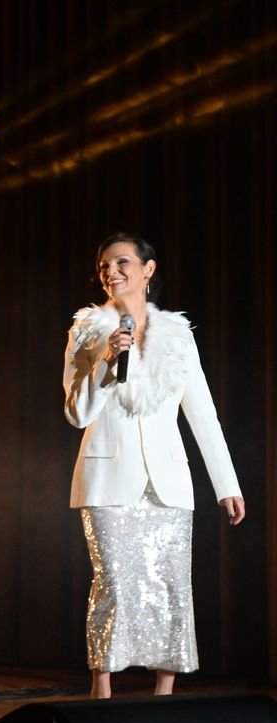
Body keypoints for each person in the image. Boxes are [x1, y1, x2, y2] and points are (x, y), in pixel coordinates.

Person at [64, 233, 244, 699]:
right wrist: (107, 363)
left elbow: (202, 414)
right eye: (104, 266)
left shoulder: (179, 336)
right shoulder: (87, 331)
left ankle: (163, 698)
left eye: (122, 262)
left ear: (148, 269)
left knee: (170, 587)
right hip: (108, 481)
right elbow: (77, 413)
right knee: (114, 585)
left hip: (169, 483)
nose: (111, 271)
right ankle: (102, 693)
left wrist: (227, 484)